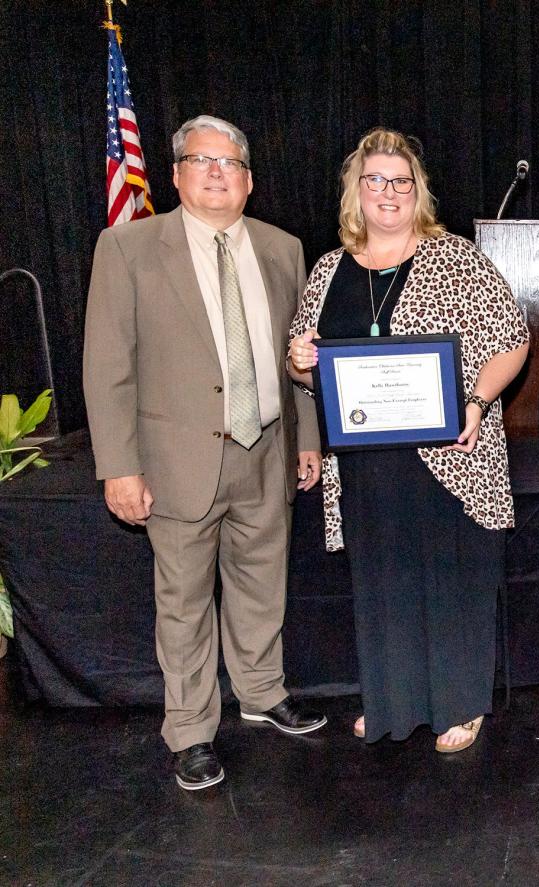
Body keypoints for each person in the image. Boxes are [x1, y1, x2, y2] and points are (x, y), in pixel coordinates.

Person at [83, 115, 326, 792]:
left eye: (230, 163)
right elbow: (108, 368)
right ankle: (190, 729)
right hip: (176, 462)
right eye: (201, 160)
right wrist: (119, 466)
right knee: (184, 602)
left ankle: (261, 691)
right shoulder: (128, 247)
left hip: (265, 450)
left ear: (249, 180)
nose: (217, 172)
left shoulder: (283, 248)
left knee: (260, 584)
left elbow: (295, 354)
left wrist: (306, 436)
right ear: (177, 173)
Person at [287, 127, 528, 754]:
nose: (388, 192)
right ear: (356, 192)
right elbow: (302, 362)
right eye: (375, 181)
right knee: (383, 580)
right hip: (366, 462)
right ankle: (394, 698)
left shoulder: (457, 257)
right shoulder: (328, 267)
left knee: (453, 577)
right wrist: (298, 360)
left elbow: (513, 340)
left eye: (401, 181)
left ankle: (460, 702)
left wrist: (475, 403)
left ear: (416, 190)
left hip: (453, 453)